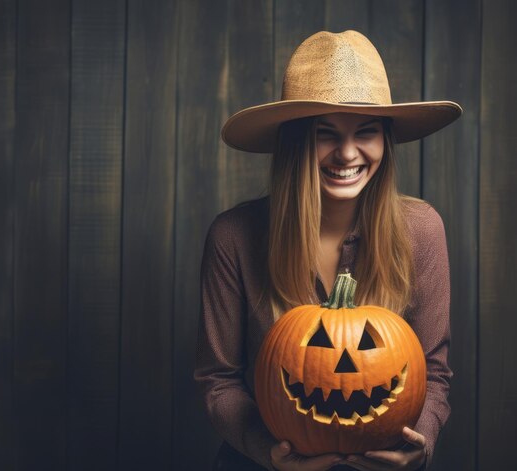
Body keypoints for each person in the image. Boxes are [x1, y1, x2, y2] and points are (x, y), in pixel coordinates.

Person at [194, 30, 461, 471]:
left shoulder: (422, 230)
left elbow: (432, 373)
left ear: (385, 143)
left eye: (366, 132)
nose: (347, 153)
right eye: (326, 134)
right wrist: (268, 452)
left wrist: (420, 443)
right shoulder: (234, 236)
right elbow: (217, 378)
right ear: (296, 141)